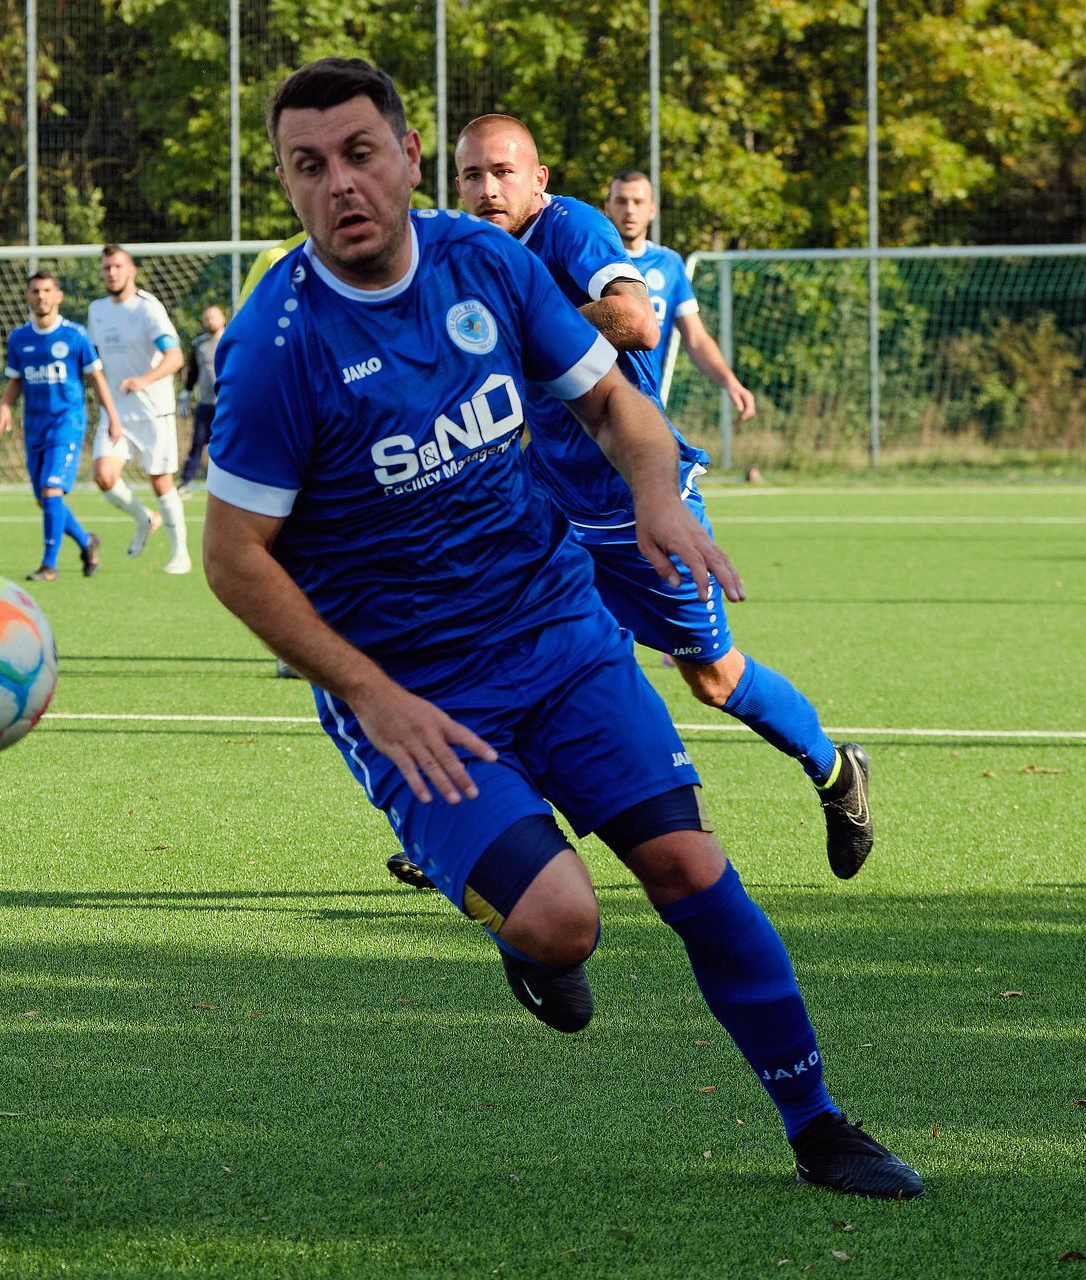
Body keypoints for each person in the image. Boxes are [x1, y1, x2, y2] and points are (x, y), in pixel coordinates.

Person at [203, 56, 920, 1199]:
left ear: (408, 158)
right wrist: (370, 694)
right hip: (416, 690)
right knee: (562, 921)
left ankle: (818, 1123)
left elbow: (614, 398)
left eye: (360, 153)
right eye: (308, 165)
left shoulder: (487, 262)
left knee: (690, 865)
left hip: (557, 630)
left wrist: (655, 493)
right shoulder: (274, 347)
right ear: (286, 183)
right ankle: (523, 933)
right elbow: (233, 558)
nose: (340, 183)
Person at [453, 115, 873, 883]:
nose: (488, 189)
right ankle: (488, 827)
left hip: (639, 504)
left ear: (538, 180)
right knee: (506, 650)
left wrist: (526, 335)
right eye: (472, 175)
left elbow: (636, 321)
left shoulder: (572, 228)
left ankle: (836, 773)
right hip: (554, 507)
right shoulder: (477, 254)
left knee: (714, 678)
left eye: (503, 172)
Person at [0, 270, 118, 581]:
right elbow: (15, 381)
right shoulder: (19, 338)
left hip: (67, 424)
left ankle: (49, 565)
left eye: (47, 290)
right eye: (35, 291)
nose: (41, 297)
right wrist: (5, 405)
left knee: (51, 490)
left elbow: (96, 377)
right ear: (28, 296)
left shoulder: (75, 335)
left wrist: (113, 417)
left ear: (58, 296)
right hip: (34, 427)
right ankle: (87, 541)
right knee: (45, 499)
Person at [602, 169, 757, 420]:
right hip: (592, 404)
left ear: (652, 210)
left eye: (638, 202)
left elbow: (696, 339)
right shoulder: (592, 258)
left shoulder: (669, 263)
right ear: (608, 207)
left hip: (647, 405)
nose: (629, 210)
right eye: (621, 201)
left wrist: (731, 383)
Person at [86, 245, 192, 573]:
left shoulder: (148, 309)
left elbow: (175, 357)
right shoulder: (96, 310)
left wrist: (144, 380)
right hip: (116, 413)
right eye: (107, 267)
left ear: (131, 270)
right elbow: (95, 364)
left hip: (153, 412)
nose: (112, 273)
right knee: (104, 476)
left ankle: (180, 554)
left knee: (160, 482)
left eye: (118, 266)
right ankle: (144, 518)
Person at [177, 304, 226, 494]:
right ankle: (185, 483)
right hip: (206, 404)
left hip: (227, 405)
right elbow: (193, 372)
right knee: (197, 443)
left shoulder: (231, 341)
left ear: (223, 319)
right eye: (206, 318)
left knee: (228, 445)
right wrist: (186, 392)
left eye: (213, 317)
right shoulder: (199, 344)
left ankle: (229, 484)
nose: (210, 321)